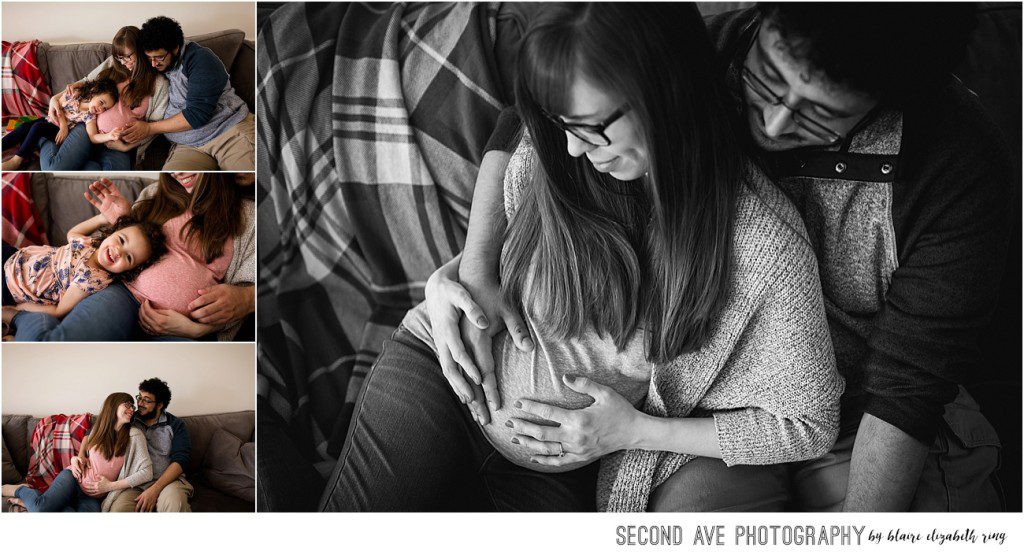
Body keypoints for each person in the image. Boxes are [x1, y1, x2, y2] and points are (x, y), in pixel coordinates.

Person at [319, 3, 843, 512]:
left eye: (591, 127)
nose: (571, 148)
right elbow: (505, 250)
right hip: (440, 374)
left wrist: (637, 432)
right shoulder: (559, 155)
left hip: (559, 477)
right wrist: (454, 278)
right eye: (561, 123)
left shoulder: (762, 244)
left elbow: (810, 422)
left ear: (664, 93)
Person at [697, 2, 1010, 511]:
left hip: (874, 410)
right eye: (767, 78)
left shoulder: (959, 160)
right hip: (718, 404)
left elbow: (909, 386)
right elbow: (548, 94)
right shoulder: (692, 53)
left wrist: (862, 526)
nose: (774, 125)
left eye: (819, 114)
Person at [9, 175, 256, 341]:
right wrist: (120, 218)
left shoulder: (251, 216)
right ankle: (19, 317)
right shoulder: (155, 193)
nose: (179, 173)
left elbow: (286, 279)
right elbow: (120, 238)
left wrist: (244, 299)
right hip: (122, 294)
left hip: (181, 328)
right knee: (60, 344)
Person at [119, 16, 254, 171]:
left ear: (176, 48)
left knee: (247, 182)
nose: (153, 64)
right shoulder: (153, 63)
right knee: (173, 186)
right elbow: (117, 60)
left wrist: (149, 128)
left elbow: (196, 115)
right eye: (149, 58)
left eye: (159, 57)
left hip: (227, 133)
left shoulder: (201, 60)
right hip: (188, 146)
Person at [2, 214, 166, 331]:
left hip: (14, 285)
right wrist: (101, 218)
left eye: (128, 258)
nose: (118, 252)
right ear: (113, 231)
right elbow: (72, 234)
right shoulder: (93, 244)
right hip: (16, 257)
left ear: (129, 270)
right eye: (121, 240)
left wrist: (19, 308)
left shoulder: (92, 279)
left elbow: (59, 310)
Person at [39, 26, 170, 171]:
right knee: (55, 168)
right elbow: (85, 82)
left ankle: (87, 162)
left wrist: (126, 147)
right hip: (88, 129)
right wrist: (54, 99)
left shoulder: (159, 84)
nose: (124, 62)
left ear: (141, 50)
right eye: (120, 57)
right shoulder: (112, 64)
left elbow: (154, 127)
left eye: (128, 56)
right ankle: (43, 139)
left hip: (115, 144)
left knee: (112, 175)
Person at [1, 393, 153, 512]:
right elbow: (87, 441)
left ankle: (36, 504)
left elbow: (147, 472)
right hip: (73, 480)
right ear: (113, 405)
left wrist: (110, 486)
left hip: (93, 496)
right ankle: (20, 490)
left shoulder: (134, 435)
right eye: (127, 404)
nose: (132, 409)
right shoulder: (98, 430)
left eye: (133, 406)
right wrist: (77, 458)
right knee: (41, 509)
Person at [109, 378, 193, 512]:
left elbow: (181, 460)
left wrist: (155, 489)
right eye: (139, 398)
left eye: (146, 400)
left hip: (168, 483)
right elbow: (99, 428)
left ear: (159, 405)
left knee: (175, 505)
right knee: (118, 511)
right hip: (135, 484)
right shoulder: (130, 419)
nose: (139, 403)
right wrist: (82, 455)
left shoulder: (176, 425)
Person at [1, 78, 119, 170]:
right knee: (24, 127)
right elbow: (58, 107)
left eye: (105, 108)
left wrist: (109, 135)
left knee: (37, 127)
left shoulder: (89, 116)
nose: (101, 109)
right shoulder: (75, 94)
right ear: (94, 91)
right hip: (54, 122)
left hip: (59, 132)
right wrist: (63, 125)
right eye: (101, 102)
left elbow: (93, 137)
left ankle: (16, 161)